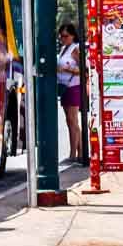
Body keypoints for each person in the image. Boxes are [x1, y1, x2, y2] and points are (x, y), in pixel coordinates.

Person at [57, 22, 82, 162]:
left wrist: (67, 69)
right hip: (64, 86)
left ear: (72, 36)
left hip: (73, 86)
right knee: (70, 121)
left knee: (72, 120)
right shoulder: (63, 49)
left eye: (65, 36)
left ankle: (73, 154)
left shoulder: (75, 49)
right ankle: (80, 152)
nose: (63, 39)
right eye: (61, 36)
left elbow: (83, 69)